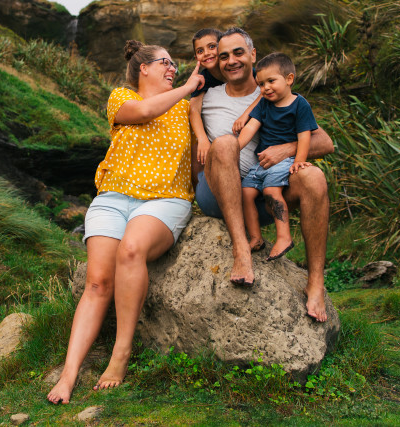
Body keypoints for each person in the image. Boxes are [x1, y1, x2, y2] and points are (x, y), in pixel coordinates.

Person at [47, 40, 204, 404]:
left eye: (174, 65)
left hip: (165, 198)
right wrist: (187, 87)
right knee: (98, 281)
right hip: (113, 198)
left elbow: (200, 155)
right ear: (143, 68)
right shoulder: (121, 98)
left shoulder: (187, 107)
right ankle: (68, 374)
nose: (173, 69)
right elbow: (146, 111)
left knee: (131, 250)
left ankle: (121, 353)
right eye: (165, 62)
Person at [194, 27, 334, 322]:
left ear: (253, 54)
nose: (231, 61)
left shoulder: (273, 90)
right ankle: (241, 251)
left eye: (238, 53)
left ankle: (316, 282)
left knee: (314, 178)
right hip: (217, 192)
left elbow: (324, 142)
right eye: (223, 56)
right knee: (226, 142)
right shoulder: (207, 97)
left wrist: (286, 150)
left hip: (261, 193)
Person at [238, 52, 318, 262]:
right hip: (262, 163)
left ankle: (284, 237)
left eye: (271, 81)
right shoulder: (264, 104)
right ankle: (256, 237)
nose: (266, 88)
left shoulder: (300, 105)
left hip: (285, 161)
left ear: (289, 79)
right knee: (246, 193)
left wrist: (299, 160)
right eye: (261, 84)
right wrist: (234, 148)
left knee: (271, 190)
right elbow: (251, 127)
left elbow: (304, 136)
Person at [188, 28, 259, 165]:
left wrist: (247, 113)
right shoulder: (202, 80)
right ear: (196, 58)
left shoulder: (252, 74)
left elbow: (265, 92)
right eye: (200, 51)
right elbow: (194, 110)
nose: (207, 53)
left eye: (211, 47)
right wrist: (202, 139)